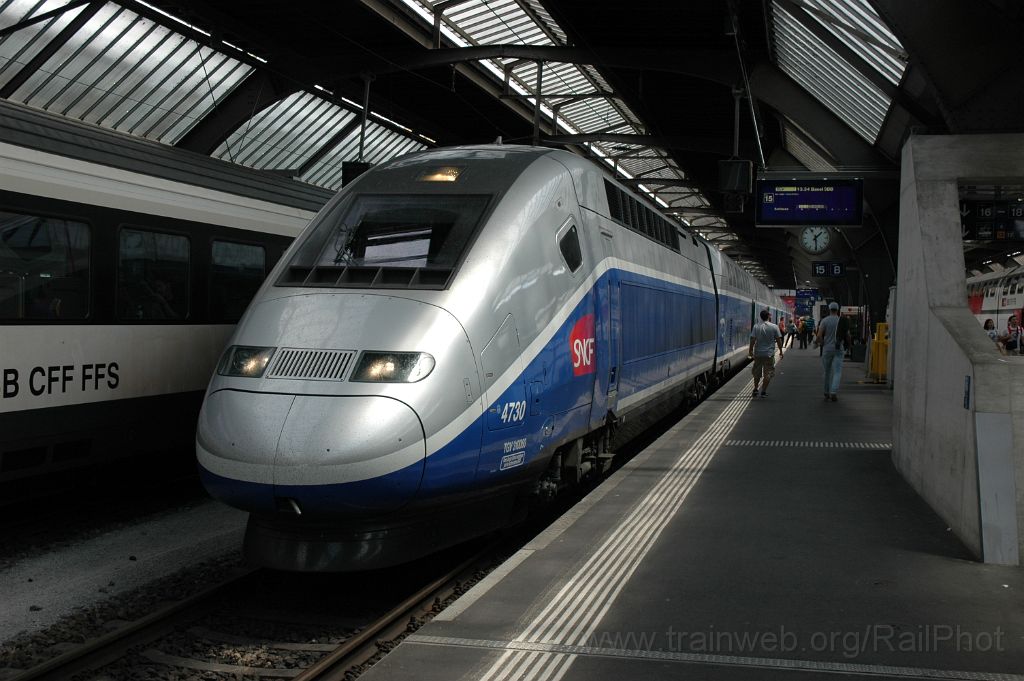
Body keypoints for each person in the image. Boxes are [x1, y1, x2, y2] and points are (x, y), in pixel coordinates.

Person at [815, 302, 850, 402]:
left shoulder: (824, 321)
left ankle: (826, 392)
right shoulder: (842, 321)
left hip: (827, 349)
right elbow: (848, 336)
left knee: (827, 371)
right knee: (837, 372)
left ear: (829, 309)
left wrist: (821, 343)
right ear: (838, 310)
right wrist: (848, 345)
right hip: (839, 348)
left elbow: (818, 336)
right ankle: (834, 392)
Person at [748, 308, 784, 398]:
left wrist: (750, 350)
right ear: (768, 316)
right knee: (768, 373)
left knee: (756, 372)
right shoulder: (774, 326)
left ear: (760, 317)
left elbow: (752, 339)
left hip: (758, 354)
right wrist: (780, 351)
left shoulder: (756, 326)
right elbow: (778, 340)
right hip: (769, 354)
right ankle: (763, 391)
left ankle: (756, 389)